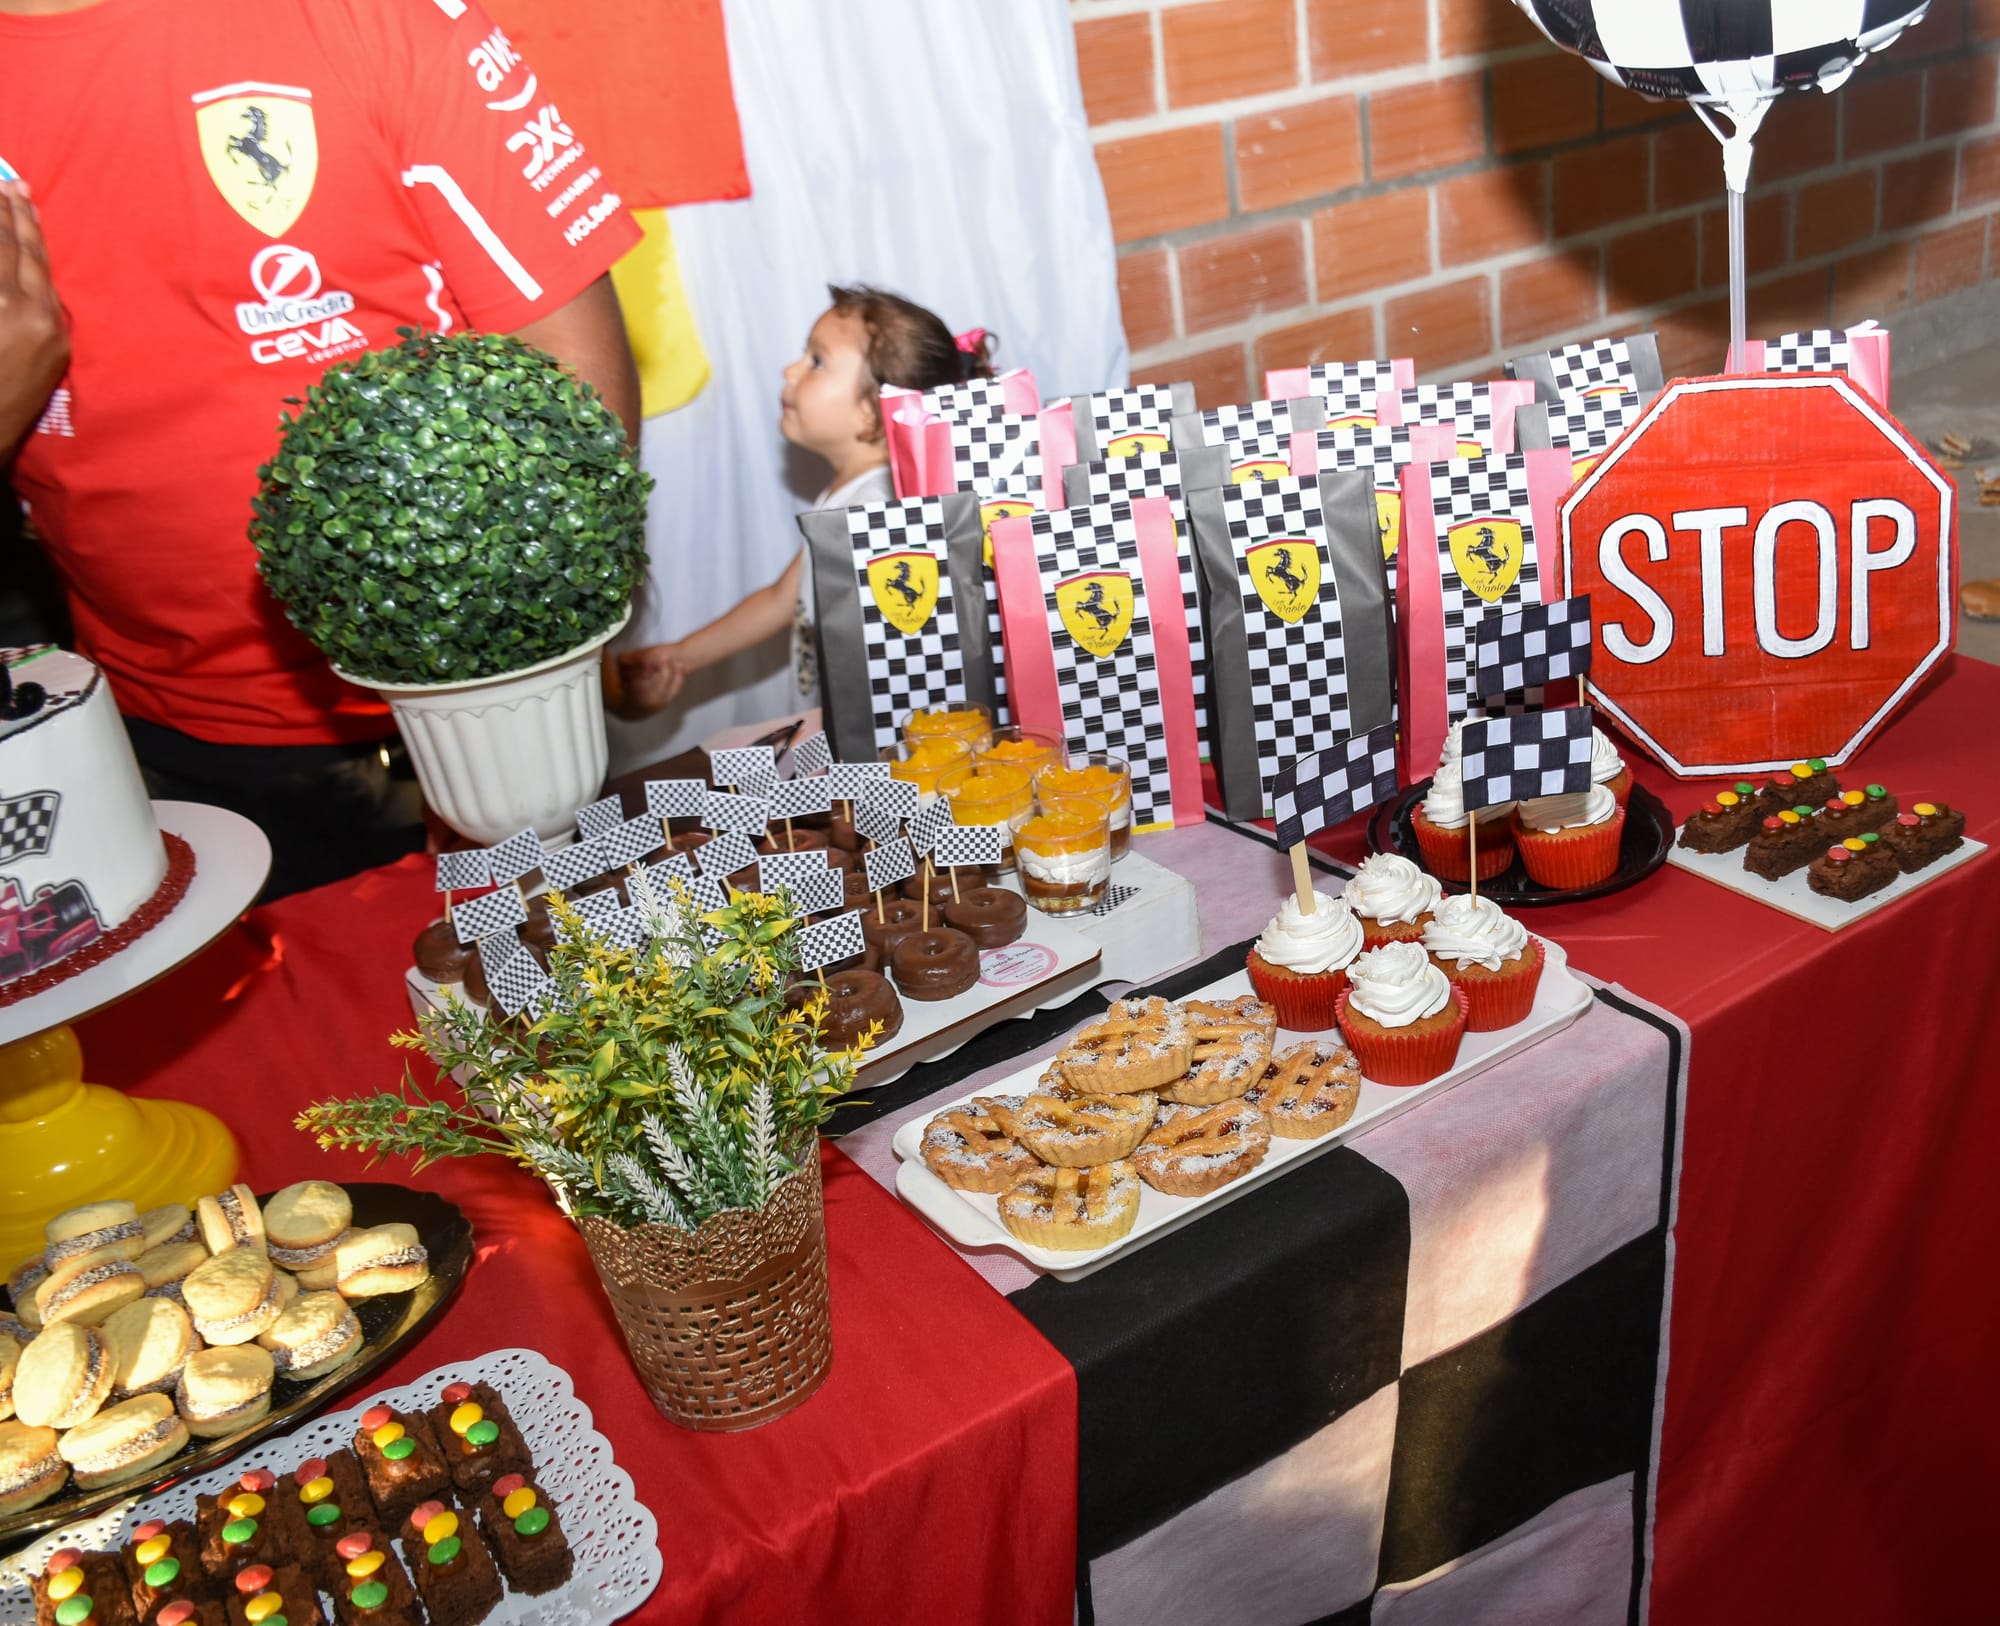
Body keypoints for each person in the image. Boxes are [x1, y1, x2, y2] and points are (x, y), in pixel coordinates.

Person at [0, 0, 642, 898]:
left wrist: (501, 700)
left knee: (539, 982)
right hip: (143, 739)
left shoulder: (368, 18)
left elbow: (575, 388)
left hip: (463, 722)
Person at [611, 285, 991, 718]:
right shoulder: (848, 499)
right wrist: (681, 655)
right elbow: (780, 600)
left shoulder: (874, 511)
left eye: (817, 361)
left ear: (871, 410)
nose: (791, 370)